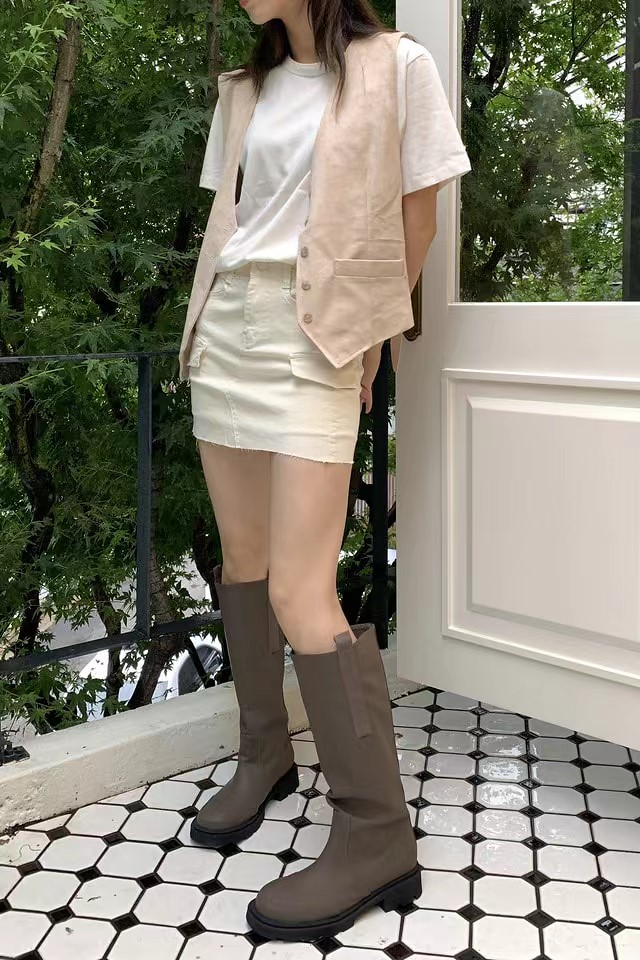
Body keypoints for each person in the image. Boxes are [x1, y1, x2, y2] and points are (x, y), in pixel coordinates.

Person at [179, 0, 471, 942]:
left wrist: (373, 330)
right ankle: (265, 752)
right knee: (244, 560)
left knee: (303, 590)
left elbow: (418, 216)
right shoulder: (244, 89)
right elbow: (232, 216)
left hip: (316, 336)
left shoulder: (398, 67)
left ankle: (378, 832)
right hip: (227, 327)